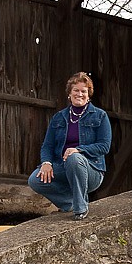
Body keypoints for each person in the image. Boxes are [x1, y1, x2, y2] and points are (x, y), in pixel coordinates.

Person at [28, 71, 112, 220]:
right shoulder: (59, 117)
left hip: (91, 169)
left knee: (74, 158)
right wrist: (46, 163)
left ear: (89, 94)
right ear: (69, 93)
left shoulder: (100, 116)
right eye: (76, 90)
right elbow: (47, 145)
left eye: (83, 91)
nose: (79, 94)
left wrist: (79, 150)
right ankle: (69, 203)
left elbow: (104, 146)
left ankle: (81, 208)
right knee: (35, 180)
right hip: (63, 167)